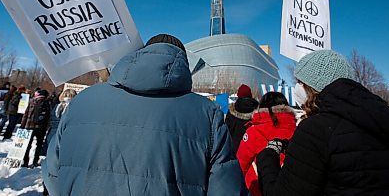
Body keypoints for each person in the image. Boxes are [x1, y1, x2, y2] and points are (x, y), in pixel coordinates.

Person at [43, 34, 247, 196]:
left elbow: (52, 171)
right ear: (182, 64)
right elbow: (226, 187)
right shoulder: (207, 112)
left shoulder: (84, 99)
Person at [255, 50, 389, 196]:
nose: (297, 87)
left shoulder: (316, 129)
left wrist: (267, 157)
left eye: (300, 82)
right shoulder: (385, 124)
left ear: (313, 87)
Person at [236, 92, 296, 196]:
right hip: (289, 188)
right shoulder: (297, 131)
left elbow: (241, 163)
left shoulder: (254, 131)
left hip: (258, 187)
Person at [225, 84, 259, 153]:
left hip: (231, 148)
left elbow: (226, 129)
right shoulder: (257, 111)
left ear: (238, 95)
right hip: (249, 149)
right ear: (250, 94)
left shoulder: (232, 109)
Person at [20, 89, 50, 168]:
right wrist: (47, 127)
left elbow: (26, 114)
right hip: (41, 127)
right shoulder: (47, 103)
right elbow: (48, 117)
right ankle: (35, 161)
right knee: (39, 145)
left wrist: (22, 125)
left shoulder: (32, 101)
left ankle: (25, 161)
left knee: (27, 144)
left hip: (29, 126)